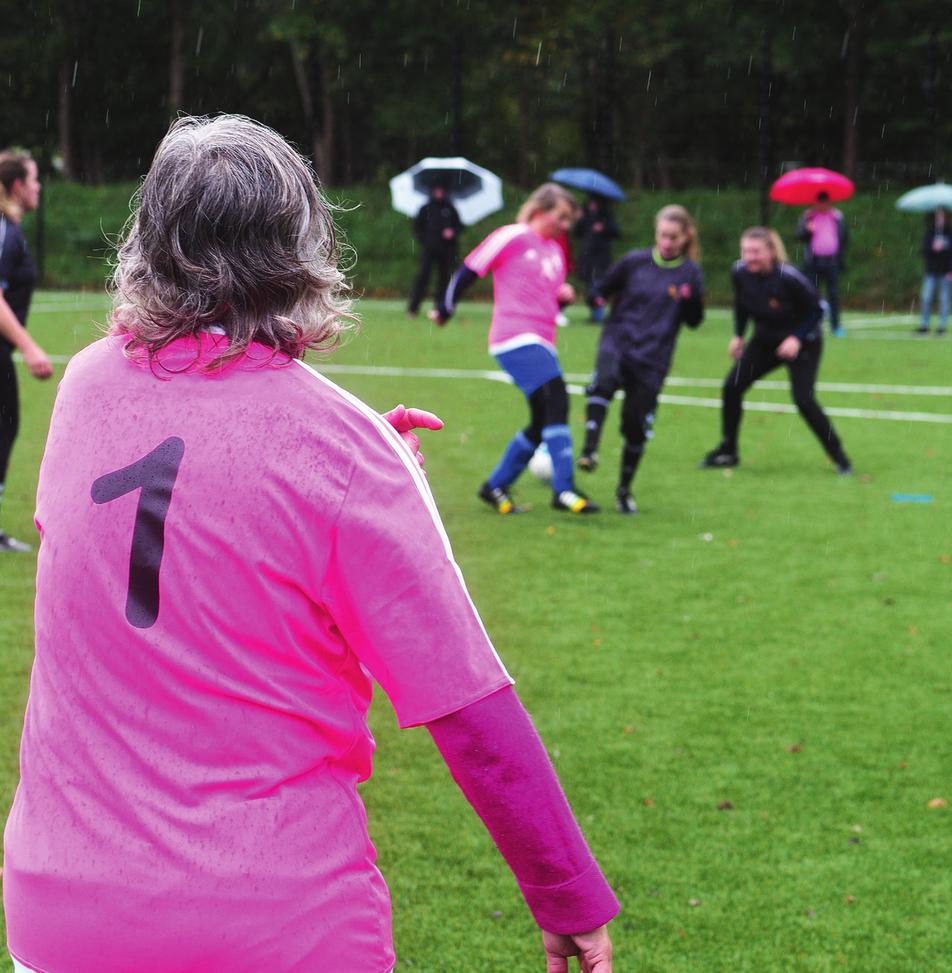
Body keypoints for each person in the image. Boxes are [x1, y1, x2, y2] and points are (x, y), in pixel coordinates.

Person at [2, 116, 617, 973]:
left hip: (59, 915)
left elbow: (161, 537)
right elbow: (469, 707)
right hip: (273, 923)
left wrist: (362, 477)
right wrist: (568, 894)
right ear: (302, 243)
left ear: (147, 235)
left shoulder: (84, 386)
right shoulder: (342, 449)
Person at [433, 183, 600, 514]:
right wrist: (446, 307)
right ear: (540, 209)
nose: (565, 225)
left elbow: (546, 303)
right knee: (557, 398)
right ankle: (563, 490)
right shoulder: (513, 235)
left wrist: (561, 300)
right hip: (514, 337)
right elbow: (470, 268)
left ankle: (494, 487)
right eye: (561, 217)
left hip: (542, 341)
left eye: (570, 220)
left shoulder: (554, 252)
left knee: (542, 420)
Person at [577, 205, 704, 514]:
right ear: (656, 232)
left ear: (685, 238)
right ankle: (590, 450)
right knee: (602, 384)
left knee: (635, 426)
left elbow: (695, 320)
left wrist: (689, 300)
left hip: (654, 357)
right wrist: (594, 296)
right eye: (663, 235)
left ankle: (624, 490)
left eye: (674, 237)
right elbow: (601, 289)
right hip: (618, 341)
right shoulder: (634, 261)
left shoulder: (690, 273)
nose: (667, 242)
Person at [700, 226, 853, 475]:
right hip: (765, 341)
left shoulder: (789, 276)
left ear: (771, 251)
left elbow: (819, 309)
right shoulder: (739, 272)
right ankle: (728, 451)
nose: (750, 257)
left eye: (756, 251)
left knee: (804, 400)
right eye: (746, 251)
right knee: (732, 387)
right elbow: (741, 304)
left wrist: (796, 337)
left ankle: (840, 457)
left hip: (803, 343)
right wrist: (738, 335)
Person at [0, 150, 53, 553]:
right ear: (17, 186)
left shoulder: (11, 230)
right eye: (34, 180)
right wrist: (29, 345)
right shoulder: (4, 231)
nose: (38, 187)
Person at [796, 191, 848, 336]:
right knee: (812, 295)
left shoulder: (837, 216)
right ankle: (812, 325)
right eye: (820, 202)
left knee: (834, 294)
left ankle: (835, 326)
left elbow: (844, 238)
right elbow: (799, 236)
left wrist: (840, 257)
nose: (822, 205)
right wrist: (807, 230)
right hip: (813, 262)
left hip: (832, 261)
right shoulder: (808, 217)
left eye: (825, 202)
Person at [407, 182, 462, 318]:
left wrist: (452, 232)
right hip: (429, 249)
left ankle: (440, 307)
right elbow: (417, 228)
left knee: (444, 279)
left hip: (447, 250)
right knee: (423, 277)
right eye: (437, 190)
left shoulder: (450, 208)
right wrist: (426, 240)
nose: (439, 193)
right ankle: (413, 308)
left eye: (441, 190)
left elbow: (459, 226)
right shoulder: (426, 209)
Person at [575, 194, 621, 322]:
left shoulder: (606, 216)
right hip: (587, 256)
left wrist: (603, 228)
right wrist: (581, 220)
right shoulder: (584, 215)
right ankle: (595, 314)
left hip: (601, 257)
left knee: (597, 286)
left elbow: (616, 232)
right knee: (589, 286)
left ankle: (599, 314)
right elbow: (577, 232)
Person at [916, 207, 952, 335]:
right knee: (926, 297)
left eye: (942, 216)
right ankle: (924, 324)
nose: (940, 219)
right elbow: (923, 251)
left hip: (946, 271)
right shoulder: (930, 232)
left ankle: (942, 326)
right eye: (938, 216)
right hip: (931, 271)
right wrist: (933, 248)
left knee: (944, 299)